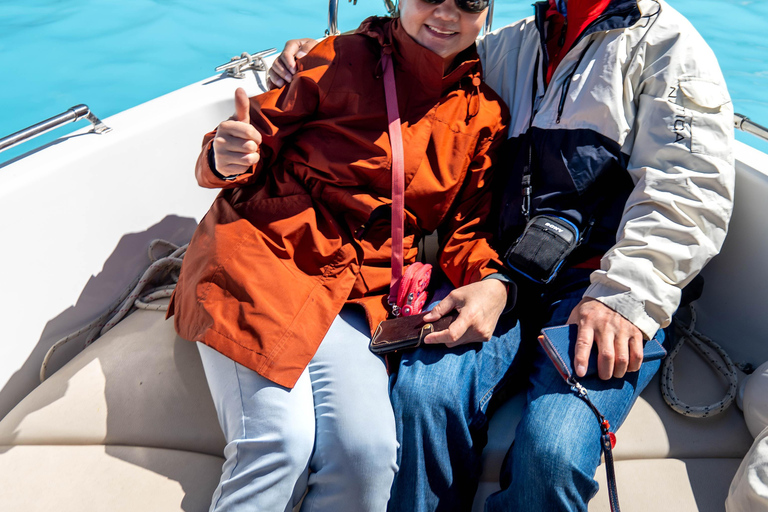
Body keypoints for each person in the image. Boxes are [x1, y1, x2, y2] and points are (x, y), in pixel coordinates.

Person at [269, 0, 736, 509]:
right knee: (420, 399)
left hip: (602, 288)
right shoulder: (509, 46)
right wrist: (327, 56)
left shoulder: (668, 47)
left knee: (552, 451)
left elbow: (690, 193)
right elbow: (416, 54)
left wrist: (625, 296)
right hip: (501, 274)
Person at [167, 0, 514, 510]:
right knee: (277, 444)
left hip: (356, 296)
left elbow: (467, 228)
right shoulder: (337, 58)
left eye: (468, 1)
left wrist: (492, 282)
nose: (446, 12)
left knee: (368, 456)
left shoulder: (483, 113)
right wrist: (223, 154)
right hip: (264, 259)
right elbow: (243, 142)